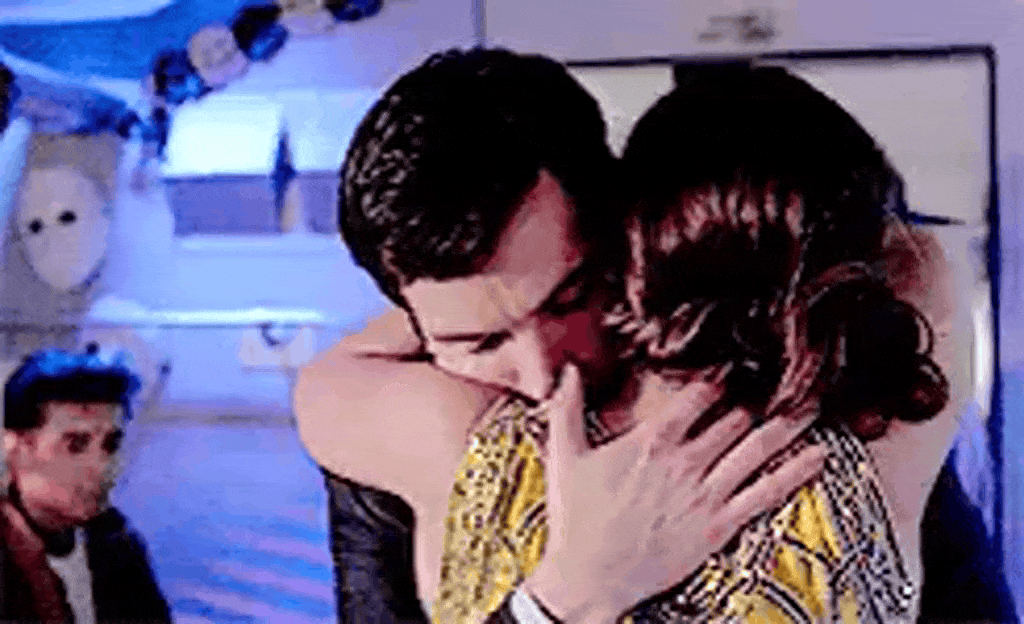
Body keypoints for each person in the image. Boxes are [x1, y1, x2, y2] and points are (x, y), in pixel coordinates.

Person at [299, 48, 831, 623]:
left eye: (571, 299)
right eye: (482, 344)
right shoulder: (424, 423)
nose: (543, 377)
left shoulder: (770, 340)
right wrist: (572, 594)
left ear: (618, 227)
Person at [0, 346, 171, 623]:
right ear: (15, 446)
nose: (102, 466)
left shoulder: (118, 545)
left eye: (110, 445)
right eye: (76, 445)